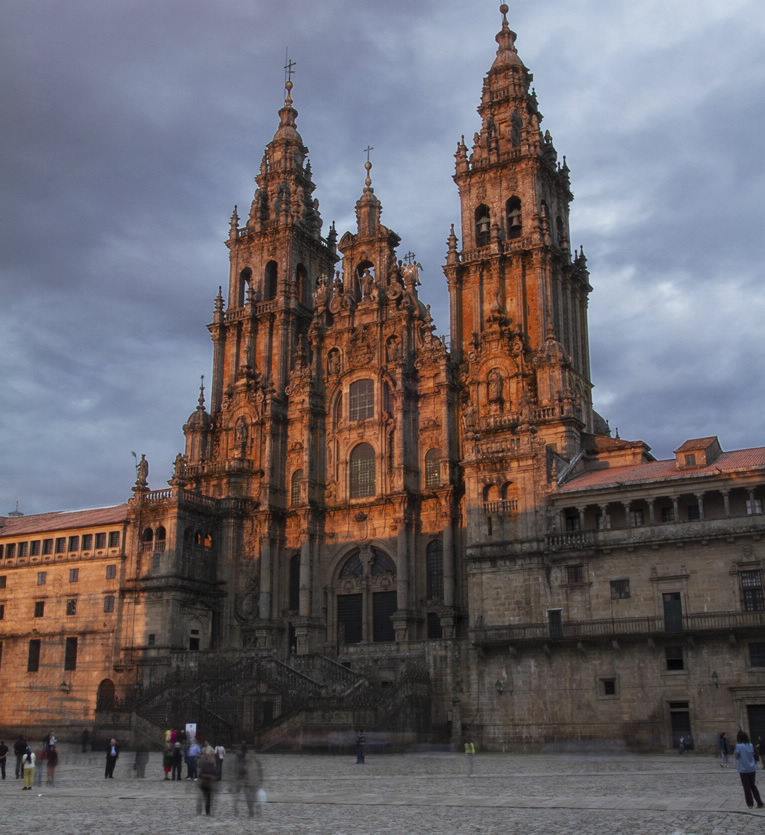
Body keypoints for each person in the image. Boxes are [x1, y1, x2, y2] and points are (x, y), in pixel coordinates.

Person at [734, 730, 764, 809]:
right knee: (753, 785)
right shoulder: (751, 745)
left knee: (746, 787)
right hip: (752, 768)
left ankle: (750, 804)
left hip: (743, 769)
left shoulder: (739, 746)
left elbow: (736, 756)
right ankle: (760, 802)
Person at [233, 748, 264, 818]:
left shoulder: (257, 762)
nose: (251, 755)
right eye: (249, 754)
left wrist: (261, 780)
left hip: (255, 783)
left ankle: (257, 810)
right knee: (249, 799)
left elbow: (260, 771)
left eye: (252, 754)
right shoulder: (244, 761)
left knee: (254, 798)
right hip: (246, 784)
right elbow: (239, 771)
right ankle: (251, 811)